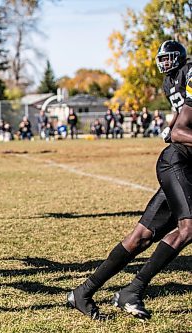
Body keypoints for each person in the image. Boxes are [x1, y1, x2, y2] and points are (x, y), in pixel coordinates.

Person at [67, 39, 192, 320]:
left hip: (185, 167)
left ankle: (83, 292)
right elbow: (180, 130)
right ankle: (133, 290)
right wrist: (168, 128)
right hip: (178, 161)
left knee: (141, 237)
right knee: (188, 228)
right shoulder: (188, 75)